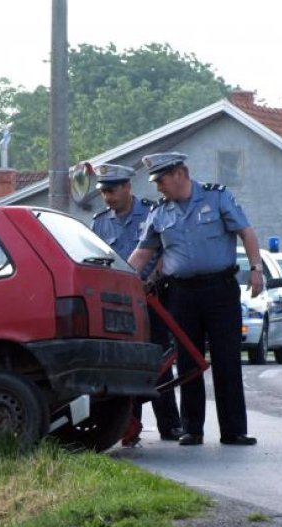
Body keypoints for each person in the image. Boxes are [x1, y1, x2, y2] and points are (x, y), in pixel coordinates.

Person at [128, 152, 261, 447]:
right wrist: (120, 279)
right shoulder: (160, 213)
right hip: (181, 294)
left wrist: (256, 269)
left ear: (180, 174)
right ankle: (192, 429)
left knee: (227, 360)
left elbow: (246, 232)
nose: (158, 187)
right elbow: (142, 254)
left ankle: (234, 430)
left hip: (220, 291)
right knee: (188, 362)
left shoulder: (217, 198)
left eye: (161, 180)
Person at [90, 164, 183, 446]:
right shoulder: (100, 222)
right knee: (127, 362)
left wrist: (152, 278)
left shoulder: (152, 212)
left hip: (152, 296)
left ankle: (170, 424)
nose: (108, 197)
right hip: (119, 303)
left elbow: (167, 252)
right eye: (104, 192)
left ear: (128, 187)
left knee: (158, 358)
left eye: (113, 190)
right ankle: (129, 425)